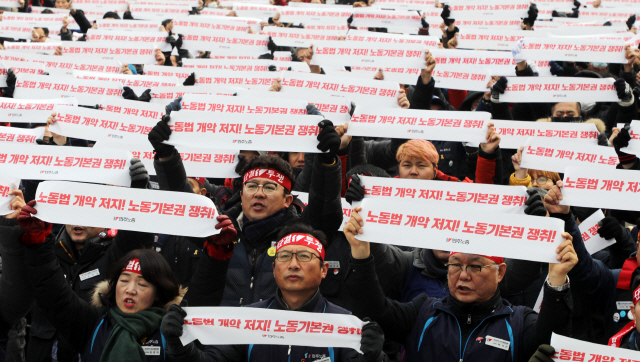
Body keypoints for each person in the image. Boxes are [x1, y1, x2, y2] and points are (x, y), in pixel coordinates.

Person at [149, 99, 344, 306]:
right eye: (252, 186)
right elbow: (183, 201)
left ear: (287, 200)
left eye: (269, 187)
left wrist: (327, 160)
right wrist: (166, 155)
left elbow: (325, 208)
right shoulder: (219, 233)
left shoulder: (302, 235)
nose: (259, 193)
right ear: (241, 195)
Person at [342, 206, 576, 361]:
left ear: (500, 273)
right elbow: (374, 309)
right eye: (455, 265)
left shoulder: (518, 322)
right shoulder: (423, 312)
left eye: (475, 266)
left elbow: (553, 342)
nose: (463, 275)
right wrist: (361, 255)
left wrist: (557, 280)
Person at [161, 223, 388, 362]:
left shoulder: (345, 323)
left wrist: (374, 357)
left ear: (324, 270)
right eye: (285, 256)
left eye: (305, 256)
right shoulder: (246, 319)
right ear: (274, 268)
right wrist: (178, 344)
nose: (293, 264)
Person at [15, 199, 183, 361]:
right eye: (123, 281)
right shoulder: (94, 324)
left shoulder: (173, 331)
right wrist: (38, 243)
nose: (130, 290)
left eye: (142, 284)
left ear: (159, 293)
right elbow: (55, 295)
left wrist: (135, 196)